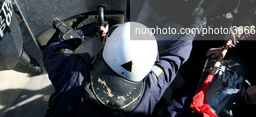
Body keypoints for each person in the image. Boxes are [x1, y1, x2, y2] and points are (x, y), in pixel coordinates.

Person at [42, 21, 194, 116]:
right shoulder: (151, 89)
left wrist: (84, 33)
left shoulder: (75, 72)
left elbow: (53, 49)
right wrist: (190, 33)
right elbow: (173, 60)